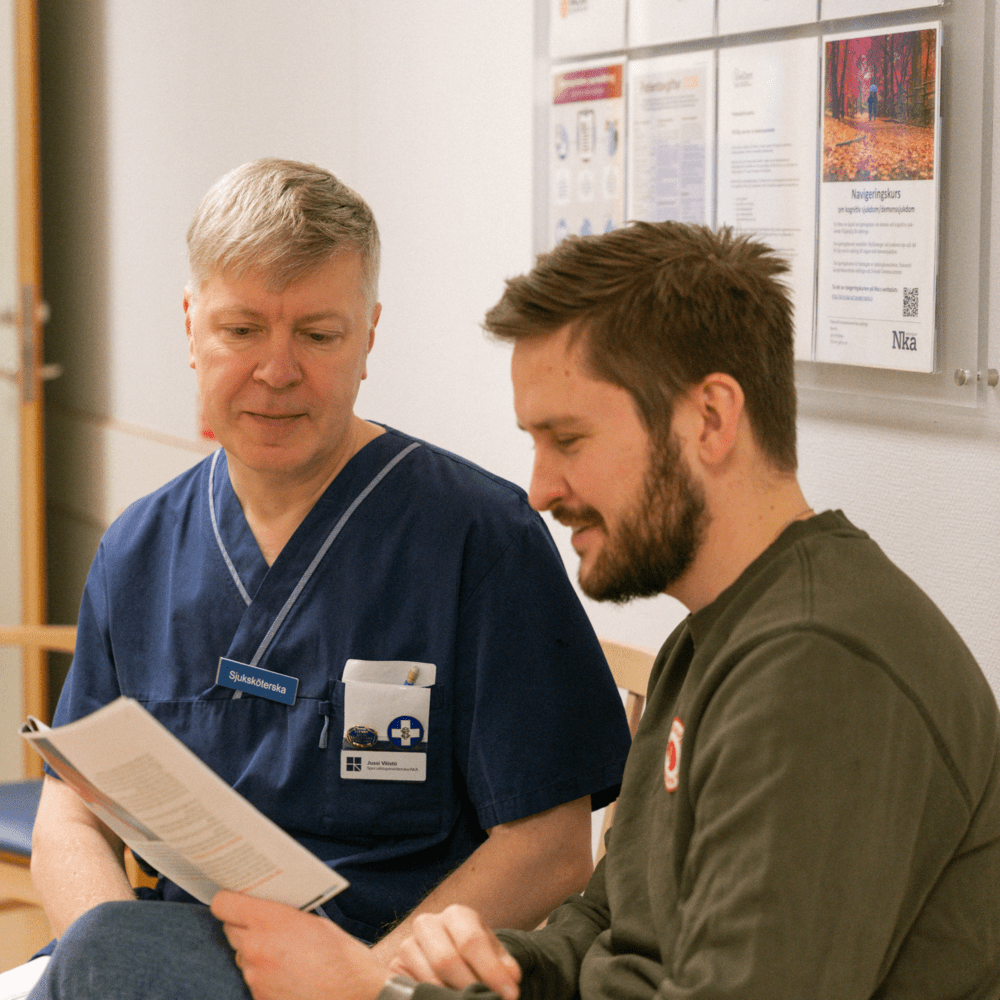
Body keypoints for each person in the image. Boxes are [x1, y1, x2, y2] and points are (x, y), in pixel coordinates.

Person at [28, 221, 1000, 1000]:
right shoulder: (714, 643)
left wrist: (378, 987)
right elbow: (607, 928)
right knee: (120, 951)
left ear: (709, 418)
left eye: (567, 437)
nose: (536, 489)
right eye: (242, 329)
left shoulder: (818, 671)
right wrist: (438, 976)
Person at [18, 160, 632, 996]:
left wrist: (366, 980)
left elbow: (551, 844)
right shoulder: (137, 553)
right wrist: (110, 957)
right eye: (242, 331)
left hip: (388, 972)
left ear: (369, 337)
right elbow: (72, 805)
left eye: (317, 334)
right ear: (191, 324)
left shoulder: (479, 540)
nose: (277, 372)